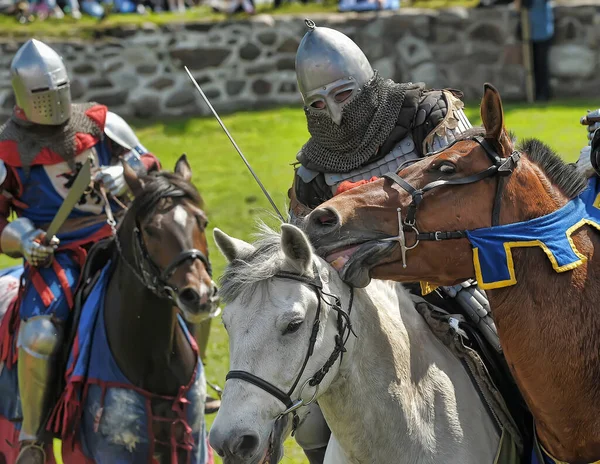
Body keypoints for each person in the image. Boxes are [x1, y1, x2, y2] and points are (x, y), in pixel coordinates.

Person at [288, 20, 501, 464]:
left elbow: (479, 192)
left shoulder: (429, 114)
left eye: (343, 94)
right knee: (305, 411)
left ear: (365, 83)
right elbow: (311, 259)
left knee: (505, 347)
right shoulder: (312, 171)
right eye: (318, 103)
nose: (335, 112)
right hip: (364, 303)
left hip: (451, 277)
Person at [0, 39, 161, 464]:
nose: (53, 102)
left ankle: (187, 391)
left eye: (59, 89)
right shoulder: (8, 148)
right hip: (58, 256)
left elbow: (147, 161)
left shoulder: (97, 123)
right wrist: (24, 241)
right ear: (23, 95)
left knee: (180, 291)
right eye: (41, 94)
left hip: (116, 239)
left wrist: (122, 175)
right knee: (38, 335)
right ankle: (32, 438)